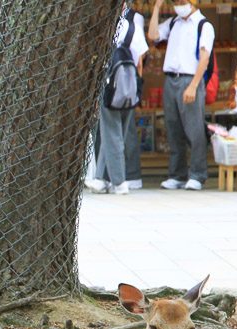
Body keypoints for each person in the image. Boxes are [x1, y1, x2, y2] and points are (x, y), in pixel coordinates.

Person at [148, 0, 214, 191]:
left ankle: (197, 174)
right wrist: (157, 8)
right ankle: (177, 174)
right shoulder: (173, 23)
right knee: (173, 127)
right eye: (176, 1)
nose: (178, 4)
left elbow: (205, 58)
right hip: (171, 79)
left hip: (190, 79)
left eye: (182, 1)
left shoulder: (204, 25)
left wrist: (193, 85)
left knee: (194, 129)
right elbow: (153, 35)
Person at [88, 2, 149, 195]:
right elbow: (140, 61)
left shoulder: (106, 26)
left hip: (110, 85)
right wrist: (137, 88)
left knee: (112, 133)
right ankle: (100, 179)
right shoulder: (134, 27)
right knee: (115, 132)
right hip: (128, 87)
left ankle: (119, 181)